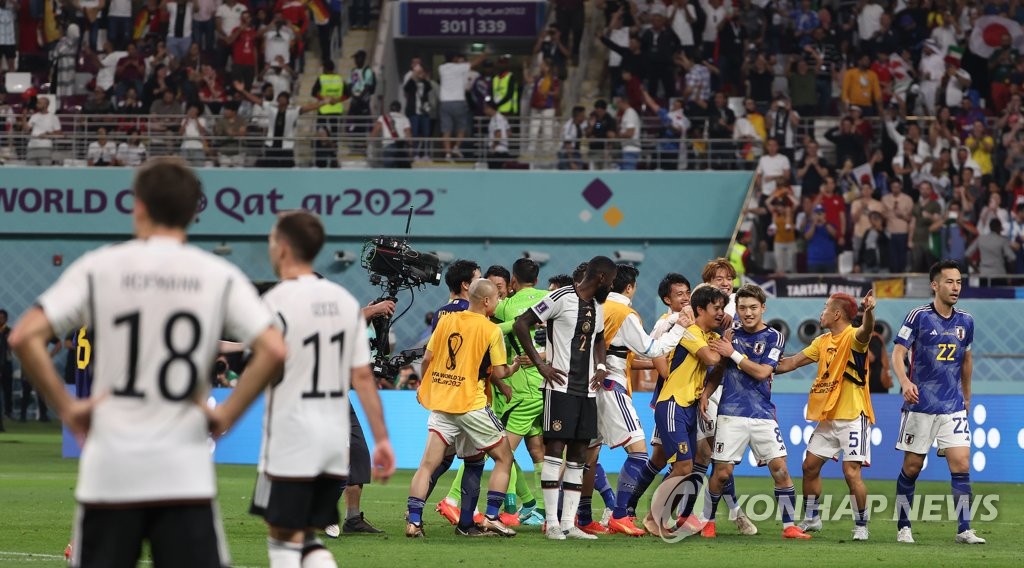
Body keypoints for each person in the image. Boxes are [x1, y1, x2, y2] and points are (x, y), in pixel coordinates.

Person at [8, 157, 288, 567]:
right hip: (182, 471)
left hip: (112, 467)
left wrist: (66, 408)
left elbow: (24, 336)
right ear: (195, 211)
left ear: (137, 204)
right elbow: (274, 348)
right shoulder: (216, 275)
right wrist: (226, 413)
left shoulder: (102, 266)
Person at [251, 211, 395, 566]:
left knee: (284, 533)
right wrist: (382, 439)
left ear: (283, 248)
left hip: (292, 426)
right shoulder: (344, 303)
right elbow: (362, 377)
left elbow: (258, 365)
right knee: (310, 536)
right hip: (332, 426)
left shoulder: (277, 301)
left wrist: (225, 413)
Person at [513, 256, 618, 540]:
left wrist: (600, 366)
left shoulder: (598, 305)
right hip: (559, 388)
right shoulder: (560, 297)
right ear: (600, 278)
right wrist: (540, 364)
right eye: (610, 282)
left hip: (587, 391)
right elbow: (521, 324)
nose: (611, 287)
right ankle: (552, 523)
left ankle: (569, 524)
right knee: (555, 451)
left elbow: (598, 339)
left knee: (578, 456)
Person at [405, 279, 518, 538]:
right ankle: (490, 516)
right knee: (504, 457)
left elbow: (427, 359)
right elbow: (500, 372)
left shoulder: (445, 320)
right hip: (471, 404)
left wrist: (426, 387)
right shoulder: (491, 330)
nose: (498, 302)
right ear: (487, 301)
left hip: (443, 403)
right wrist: (514, 367)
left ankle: (419, 522)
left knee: (432, 464)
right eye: (497, 299)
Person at [700, 284, 811, 540]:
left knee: (780, 469)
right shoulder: (729, 335)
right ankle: (707, 522)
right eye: (742, 308)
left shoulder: (774, 337)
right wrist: (706, 393)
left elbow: (763, 372)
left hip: (762, 414)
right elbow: (718, 370)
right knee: (722, 472)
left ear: (763, 308)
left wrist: (734, 354)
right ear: (736, 309)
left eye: (753, 307)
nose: (748, 313)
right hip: (730, 412)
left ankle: (789, 526)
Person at [891, 260, 985, 545]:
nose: (955, 287)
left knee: (961, 463)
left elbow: (966, 361)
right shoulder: (917, 316)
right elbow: (898, 353)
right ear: (935, 285)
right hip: (920, 405)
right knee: (912, 467)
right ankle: (904, 527)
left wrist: (967, 396)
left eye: (958, 282)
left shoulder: (966, 321)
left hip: (952, 405)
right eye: (949, 282)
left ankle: (964, 529)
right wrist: (905, 383)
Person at [596, 264, 690, 537]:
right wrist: (680, 328)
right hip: (612, 387)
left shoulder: (597, 307)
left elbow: (619, 354)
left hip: (591, 387)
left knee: (585, 456)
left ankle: (577, 516)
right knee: (639, 453)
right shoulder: (625, 313)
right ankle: (619, 514)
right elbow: (652, 349)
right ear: (629, 287)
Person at [775, 290, 876, 541]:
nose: (822, 312)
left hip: (853, 416)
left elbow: (866, 331)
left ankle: (861, 525)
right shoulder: (821, 342)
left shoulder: (853, 337)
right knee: (809, 466)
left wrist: (870, 312)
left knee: (851, 473)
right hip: (829, 418)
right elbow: (791, 363)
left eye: (825, 307)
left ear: (837, 313)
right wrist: (756, 367)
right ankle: (812, 518)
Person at [644, 284, 727, 536]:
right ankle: (651, 519)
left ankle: (660, 518)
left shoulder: (710, 336)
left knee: (687, 468)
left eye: (723, 308)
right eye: (716, 308)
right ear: (700, 309)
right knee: (681, 466)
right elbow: (713, 359)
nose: (721, 313)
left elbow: (719, 366)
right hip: (672, 404)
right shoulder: (690, 331)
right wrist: (725, 351)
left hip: (688, 408)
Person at [235, 81, 326, 168]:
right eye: (280, 98)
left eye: (284, 98)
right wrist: (242, 90)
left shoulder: (293, 111)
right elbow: (255, 100)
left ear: (287, 101)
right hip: (271, 144)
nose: (281, 100)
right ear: (277, 99)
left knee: (287, 168)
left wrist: (324, 102)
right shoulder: (271, 108)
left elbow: (309, 107)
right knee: (270, 168)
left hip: (286, 145)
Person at [438, 51, 488, 160]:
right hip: (459, 101)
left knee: (446, 130)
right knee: (461, 128)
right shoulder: (459, 68)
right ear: (455, 59)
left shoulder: (441, 68)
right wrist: (484, 55)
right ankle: (456, 147)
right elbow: (474, 63)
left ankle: (447, 153)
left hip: (445, 102)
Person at [371, 101, 413, 169]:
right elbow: (408, 135)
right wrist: (410, 148)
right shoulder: (405, 118)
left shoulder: (383, 118)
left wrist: (371, 144)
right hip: (401, 148)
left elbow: (374, 133)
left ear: (390, 108)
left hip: (388, 146)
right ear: (400, 109)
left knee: (389, 172)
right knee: (402, 172)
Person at [484, 101, 511, 169]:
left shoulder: (496, 119)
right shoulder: (503, 118)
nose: (484, 111)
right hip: (505, 150)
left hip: (497, 152)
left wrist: (493, 148)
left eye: (485, 108)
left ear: (490, 108)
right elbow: (509, 133)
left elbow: (498, 134)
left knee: (493, 175)